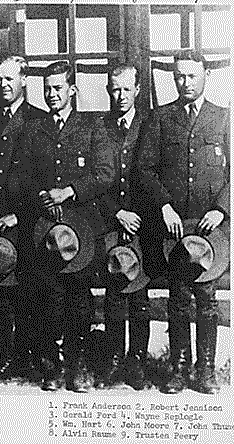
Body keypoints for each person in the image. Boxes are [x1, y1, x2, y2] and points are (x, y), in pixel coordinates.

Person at [138, 50, 230, 394]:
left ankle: (205, 369)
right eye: (179, 77)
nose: (185, 83)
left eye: (192, 76)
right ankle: (178, 366)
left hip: (211, 231)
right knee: (178, 297)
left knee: (206, 299)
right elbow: (144, 169)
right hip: (175, 230)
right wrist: (163, 205)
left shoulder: (224, 119)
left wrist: (222, 209)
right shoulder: (161, 119)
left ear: (205, 75)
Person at [22, 61, 114, 392]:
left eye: (58, 88)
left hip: (84, 231)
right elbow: (22, 176)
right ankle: (50, 364)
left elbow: (105, 172)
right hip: (46, 229)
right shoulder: (34, 130)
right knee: (49, 297)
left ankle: (77, 364)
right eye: (47, 89)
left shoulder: (92, 127)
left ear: (72, 90)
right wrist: (40, 194)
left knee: (79, 299)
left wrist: (71, 191)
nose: (51, 95)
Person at [0, 55, 47, 377]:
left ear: (24, 80)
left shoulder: (40, 120)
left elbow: (47, 176)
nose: (3, 85)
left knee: (26, 292)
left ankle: (26, 356)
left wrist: (20, 216)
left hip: (26, 220)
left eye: (9, 79)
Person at [97, 64, 153, 390]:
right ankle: (114, 357)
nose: (120, 96)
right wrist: (117, 213)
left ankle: (138, 360)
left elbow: (153, 175)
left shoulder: (149, 124)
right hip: (111, 221)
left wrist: (137, 216)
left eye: (126, 89)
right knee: (114, 290)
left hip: (143, 224)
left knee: (139, 292)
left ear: (137, 91)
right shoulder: (100, 127)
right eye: (114, 89)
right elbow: (96, 180)